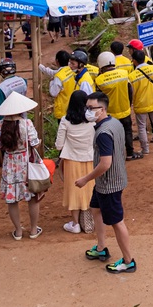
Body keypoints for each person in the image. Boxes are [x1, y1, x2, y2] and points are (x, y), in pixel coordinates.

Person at [77, 92, 136, 273]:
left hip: (109, 184)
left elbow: (105, 163)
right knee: (96, 209)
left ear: (101, 110)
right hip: (108, 181)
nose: (87, 111)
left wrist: (85, 179)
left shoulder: (102, 132)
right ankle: (101, 248)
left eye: (90, 108)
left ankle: (128, 260)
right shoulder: (114, 122)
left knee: (117, 222)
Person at [0, 92, 43, 241]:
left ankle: (18, 231)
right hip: (26, 163)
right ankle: (33, 229)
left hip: (9, 164)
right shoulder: (26, 124)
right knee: (32, 197)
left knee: (12, 199)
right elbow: (34, 143)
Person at [56, 91, 95, 234]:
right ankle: (90, 218)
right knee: (90, 188)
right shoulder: (92, 120)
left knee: (73, 190)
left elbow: (59, 145)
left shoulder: (65, 120)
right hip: (90, 159)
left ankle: (75, 223)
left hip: (71, 160)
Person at [95, 52, 139, 160]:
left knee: (112, 135)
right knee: (128, 131)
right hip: (124, 109)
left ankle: (116, 156)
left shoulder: (99, 80)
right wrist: (128, 104)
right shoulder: (124, 74)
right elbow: (130, 90)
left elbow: (99, 98)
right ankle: (130, 153)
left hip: (110, 113)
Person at [128, 49, 153, 154]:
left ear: (134, 61)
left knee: (142, 128)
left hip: (140, 104)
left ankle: (145, 149)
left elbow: (131, 92)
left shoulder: (132, 76)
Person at [40, 51, 75, 120]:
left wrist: (51, 81)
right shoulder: (70, 70)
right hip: (71, 106)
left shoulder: (59, 77)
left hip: (62, 109)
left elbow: (53, 93)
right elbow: (53, 72)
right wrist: (42, 68)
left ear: (57, 61)